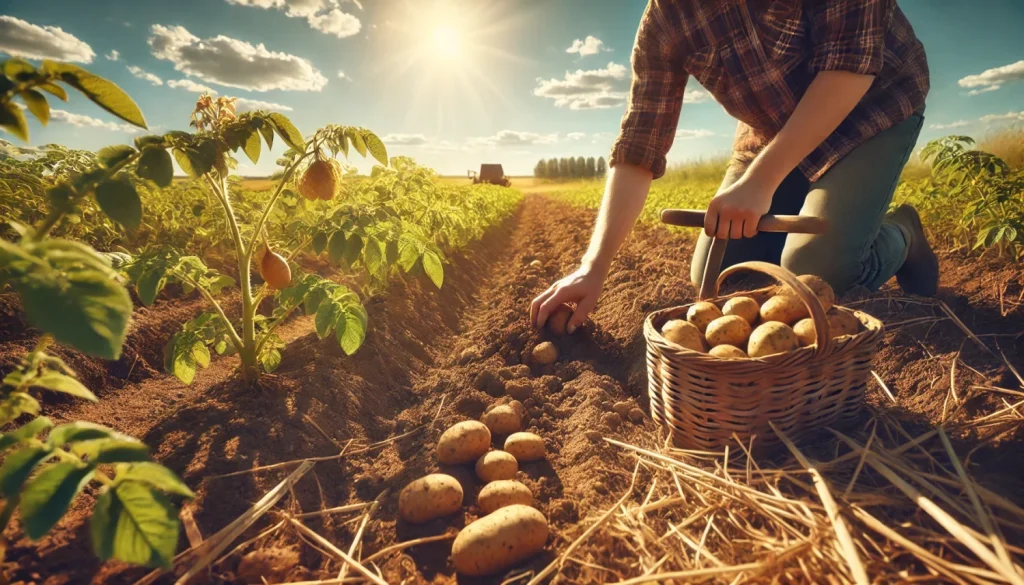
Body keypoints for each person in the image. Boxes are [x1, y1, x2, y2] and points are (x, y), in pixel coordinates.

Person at [532, 0, 938, 333]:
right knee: (720, 274)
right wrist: (594, 266)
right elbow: (640, 142)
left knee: (818, 274)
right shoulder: (665, 20)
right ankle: (815, 226)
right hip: (769, 129)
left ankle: (903, 233)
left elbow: (848, 66)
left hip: (871, 108)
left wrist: (761, 181)